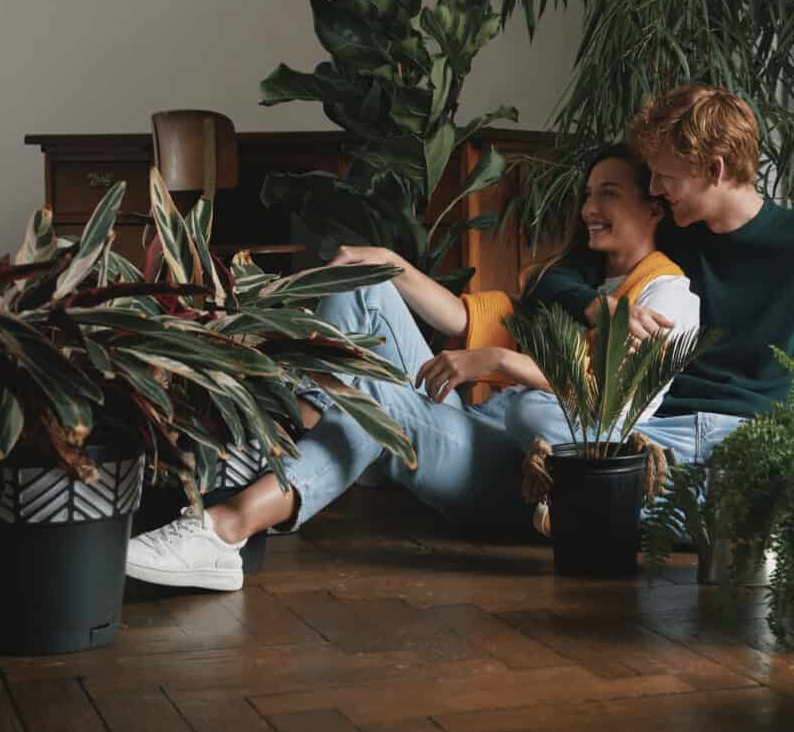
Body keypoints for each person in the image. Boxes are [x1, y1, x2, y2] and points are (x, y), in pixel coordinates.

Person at [124, 147, 700, 591]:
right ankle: (319, 420)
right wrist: (390, 263)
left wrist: (500, 362)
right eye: (588, 194)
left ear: (654, 204)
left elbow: (616, 414)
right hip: (480, 427)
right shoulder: (574, 283)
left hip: (529, 476)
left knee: (372, 406)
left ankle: (224, 529)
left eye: (609, 195)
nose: (589, 209)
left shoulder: (668, 296)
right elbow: (468, 318)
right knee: (360, 279)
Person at [507, 85, 794, 468]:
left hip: (750, 441)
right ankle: (656, 499)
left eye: (665, 176)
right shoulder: (667, 228)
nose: (654, 189)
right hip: (648, 434)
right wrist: (598, 307)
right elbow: (544, 282)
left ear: (715, 170)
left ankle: (621, 494)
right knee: (527, 411)